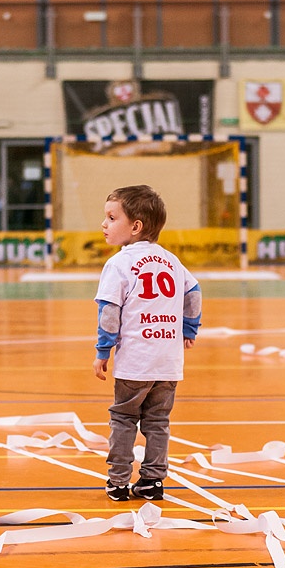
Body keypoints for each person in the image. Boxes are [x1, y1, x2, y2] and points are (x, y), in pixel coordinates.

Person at [92, 184, 202, 502]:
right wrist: (189, 329)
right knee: (157, 421)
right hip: (168, 360)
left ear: (135, 226)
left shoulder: (118, 264)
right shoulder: (170, 261)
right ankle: (153, 482)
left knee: (124, 418)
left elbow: (109, 311)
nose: (104, 224)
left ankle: (118, 482)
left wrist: (103, 349)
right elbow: (194, 293)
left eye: (112, 218)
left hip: (136, 360)